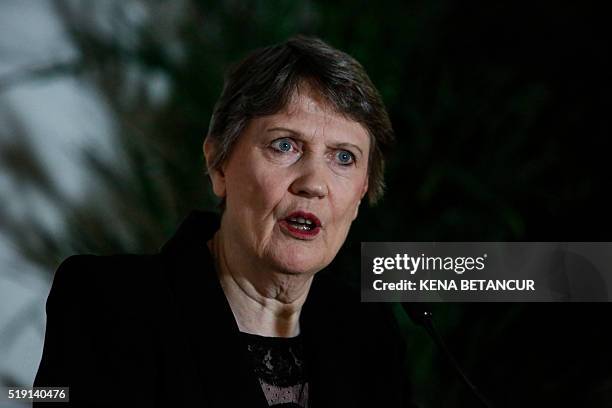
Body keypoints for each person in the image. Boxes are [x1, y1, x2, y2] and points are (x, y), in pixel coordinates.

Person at [34, 35, 414, 407]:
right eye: (285, 145)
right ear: (218, 164)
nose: (314, 184)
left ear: (362, 190)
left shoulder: (368, 332)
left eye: (343, 157)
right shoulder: (107, 304)